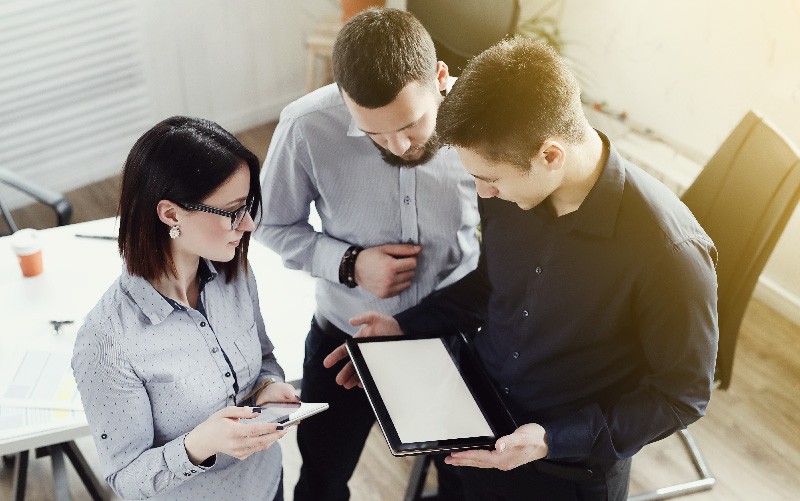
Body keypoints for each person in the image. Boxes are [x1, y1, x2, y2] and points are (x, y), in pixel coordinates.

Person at [329, 36, 720, 500]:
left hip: (565, 472)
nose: (483, 192)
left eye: (489, 179)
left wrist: (552, 440)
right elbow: (493, 284)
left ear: (550, 155)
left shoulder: (670, 253)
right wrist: (403, 325)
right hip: (476, 424)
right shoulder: (510, 184)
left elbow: (681, 395)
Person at [254, 8, 479, 501]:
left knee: (464, 479)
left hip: (447, 339)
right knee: (322, 479)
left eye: (412, 124)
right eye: (373, 133)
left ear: (441, 78)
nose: (398, 145)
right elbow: (270, 224)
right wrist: (349, 263)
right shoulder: (306, 126)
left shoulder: (480, 119)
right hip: (344, 342)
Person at [72, 116, 299, 500]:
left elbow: (263, 358)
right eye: (232, 211)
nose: (247, 225)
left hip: (266, 485)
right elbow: (125, 480)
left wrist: (267, 387)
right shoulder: (106, 342)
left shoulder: (235, 274)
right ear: (171, 214)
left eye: (248, 207)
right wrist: (199, 444)